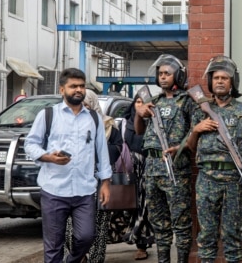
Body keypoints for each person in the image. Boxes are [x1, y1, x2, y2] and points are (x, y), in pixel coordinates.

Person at [24, 68, 112, 263]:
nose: (78, 90)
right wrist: (48, 157)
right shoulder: (48, 115)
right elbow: (30, 144)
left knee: (86, 237)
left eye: (81, 86)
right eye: (73, 86)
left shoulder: (94, 119)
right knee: (53, 245)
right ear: (62, 89)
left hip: (84, 190)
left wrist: (105, 182)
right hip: (54, 189)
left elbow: (101, 152)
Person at [187, 55, 242, 263]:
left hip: (233, 179)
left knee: (232, 236)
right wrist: (196, 129)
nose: (220, 81)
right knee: (207, 236)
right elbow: (190, 147)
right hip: (206, 180)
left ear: (233, 82)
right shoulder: (199, 110)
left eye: (225, 78)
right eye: (216, 78)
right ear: (211, 82)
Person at [134, 54, 195, 263]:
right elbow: (139, 131)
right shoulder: (154, 101)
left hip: (176, 168)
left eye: (167, 74)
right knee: (159, 222)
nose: (163, 77)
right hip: (152, 169)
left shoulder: (187, 101)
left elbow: (195, 132)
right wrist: (139, 112)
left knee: (181, 221)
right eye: (160, 74)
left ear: (177, 75)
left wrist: (182, 146)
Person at [64, 90, 125, 263]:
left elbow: (116, 150)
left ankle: (96, 259)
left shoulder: (108, 125)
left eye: (87, 104)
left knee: (99, 223)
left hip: (100, 183)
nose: (83, 108)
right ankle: (77, 257)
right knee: (71, 223)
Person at [122, 94, 155, 260]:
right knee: (130, 207)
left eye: (143, 102)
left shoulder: (152, 122)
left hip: (148, 169)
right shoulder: (124, 122)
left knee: (144, 206)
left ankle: (141, 244)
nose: (140, 105)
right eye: (137, 102)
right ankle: (131, 235)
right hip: (129, 170)